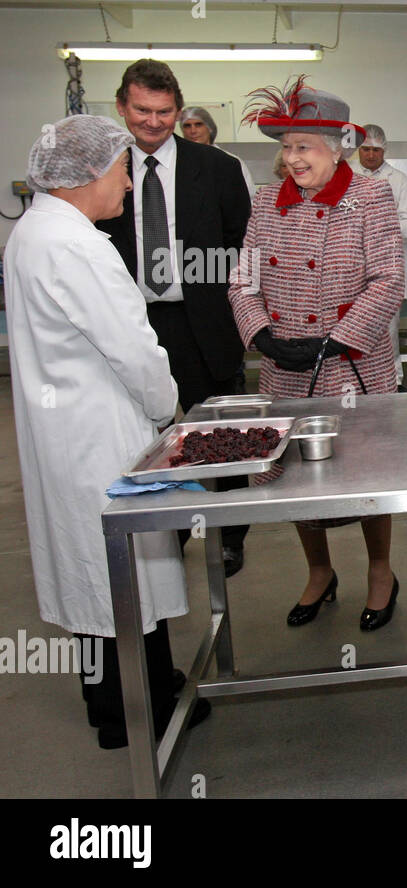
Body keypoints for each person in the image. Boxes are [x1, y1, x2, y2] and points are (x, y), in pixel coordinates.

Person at [7, 115, 213, 748]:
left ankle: (118, 699)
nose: (128, 181)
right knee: (116, 573)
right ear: (91, 173)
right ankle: (136, 709)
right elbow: (134, 350)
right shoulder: (80, 246)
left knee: (92, 572)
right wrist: (167, 410)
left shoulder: (34, 232)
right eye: (122, 167)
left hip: (63, 431)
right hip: (97, 433)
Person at [232, 78, 405, 631]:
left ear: (337, 149)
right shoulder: (266, 200)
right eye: (286, 147)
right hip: (286, 368)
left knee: (367, 476)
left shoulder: (370, 197)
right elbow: (243, 282)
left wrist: (337, 338)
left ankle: (381, 571)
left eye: (304, 146)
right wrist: (261, 336)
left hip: (352, 364)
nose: (292, 158)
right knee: (296, 476)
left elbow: (388, 280)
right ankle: (320, 572)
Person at [97, 59, 253, 579]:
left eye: (165, 112)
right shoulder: (102, 171)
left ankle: (231, 534)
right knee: (152, 436)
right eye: (142, 110)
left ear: (178, 110)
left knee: (225, 432)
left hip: (203, 321)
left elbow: (241, 248)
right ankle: (171, 530)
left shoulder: (217, 168)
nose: (153, 121)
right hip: (131, 323)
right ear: (122, 107)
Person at [352, 123, 407, 390]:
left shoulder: (398, 179)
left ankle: (394, 380)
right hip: (352, 267)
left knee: (388, 329)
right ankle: (356, 381)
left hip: (387, 264)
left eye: (375, 150)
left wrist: (373, 231)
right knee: (353, 327)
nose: (370, 155)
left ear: (384, 150)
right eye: (365, 149)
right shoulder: (344, 176)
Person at [179, 105, 256, 199]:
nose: (193, 131)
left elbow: (249, 198)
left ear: (209, 128)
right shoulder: (177, 162)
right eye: (187, 126)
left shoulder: (230, 161)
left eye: (198, 124)